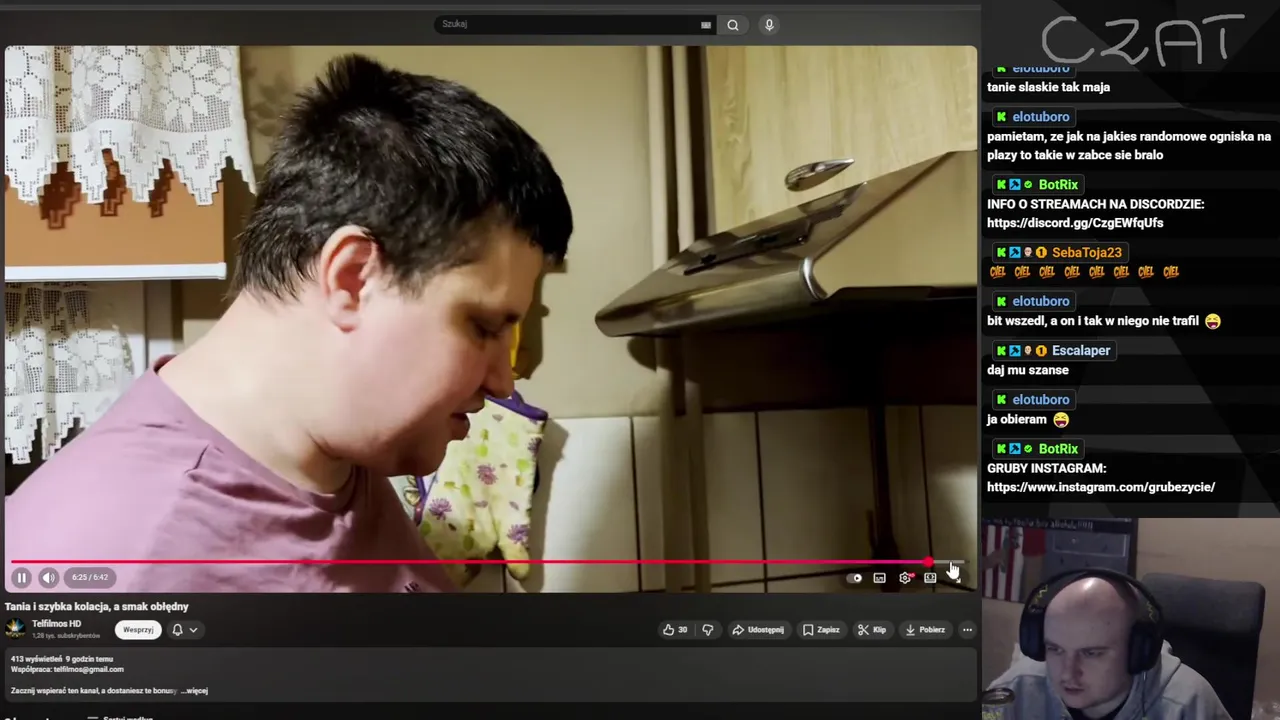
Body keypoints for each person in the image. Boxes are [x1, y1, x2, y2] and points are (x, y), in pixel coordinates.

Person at [3, 54, 573, 593]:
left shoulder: (337, 455)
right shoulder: (120, 562)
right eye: (483, 326)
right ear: (353, 279)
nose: (503, 382)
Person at [988, 571, 1232, 719]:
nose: (1067, 673)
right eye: (1055, 649)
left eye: (1091, 653)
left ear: (1137, 652)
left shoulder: (1189, 705)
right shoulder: (1014, 690)